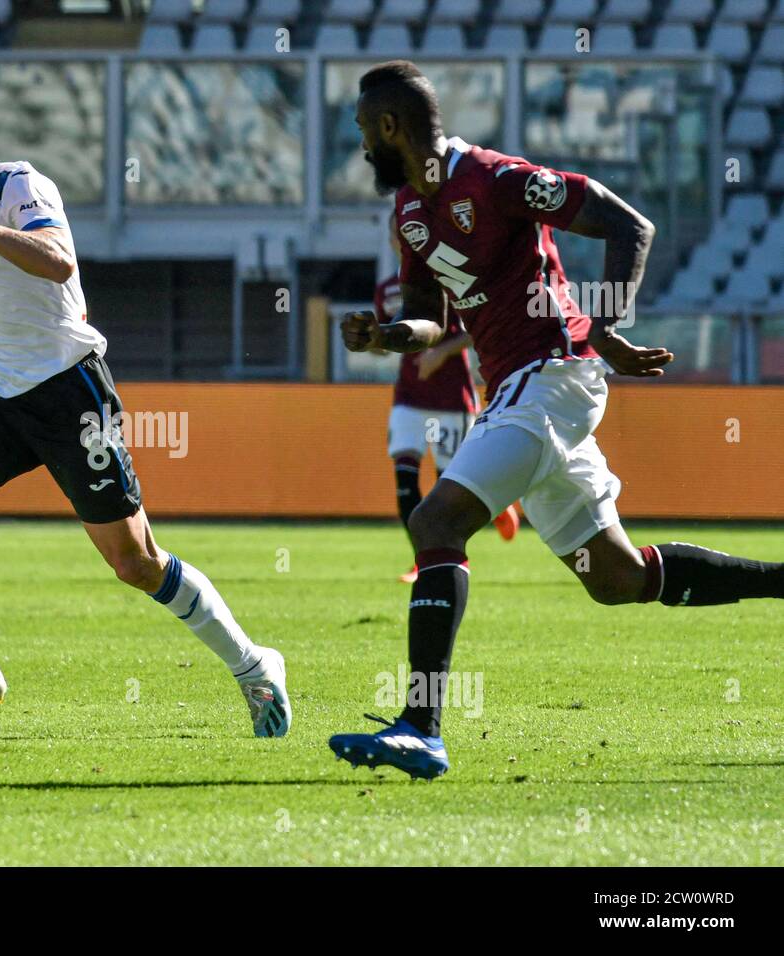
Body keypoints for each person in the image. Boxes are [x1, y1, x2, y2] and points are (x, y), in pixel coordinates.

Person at [334, 60, 784, 779]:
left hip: (552, 375)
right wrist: (385, 335)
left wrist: (605, 323)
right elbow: (427, 314)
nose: (360, 146)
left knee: (434, 524)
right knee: (617, 578)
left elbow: (627, 224)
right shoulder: (409, 215)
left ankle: (421, 725)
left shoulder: (494, 178)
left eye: (363, 129)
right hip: (526, 390)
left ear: (392, 127)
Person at [0, 83, 290, 737]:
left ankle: (253, 665)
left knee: (136, 563)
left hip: (71, 392)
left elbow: (58, 260)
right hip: (6, 398)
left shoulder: (16, 185)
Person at [374, 210, 518, 585]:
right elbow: (384, 345)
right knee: (406, 484)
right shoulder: (388, 289)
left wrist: (442, 351)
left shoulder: (451, 282)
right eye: (395, 233)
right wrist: (372, 339)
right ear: (393, 240)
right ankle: (423, 560)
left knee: (447, 490)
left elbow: (476, 328)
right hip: (408, 398)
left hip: (451, 399)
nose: (400, 239)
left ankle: (494, 504)